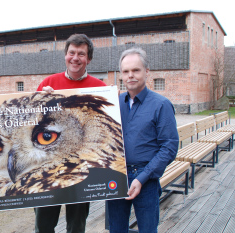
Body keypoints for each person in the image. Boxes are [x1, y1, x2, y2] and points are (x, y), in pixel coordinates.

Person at [35, 34, 107, 233]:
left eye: (81, 54)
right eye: (72, 53)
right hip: (49, 169)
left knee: (76, 226)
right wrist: (41, 101)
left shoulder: (101, 89)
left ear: (88, 59)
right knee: (43, 225)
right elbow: (32, 123)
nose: (75, 58)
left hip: (82, 170)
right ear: (65, 55)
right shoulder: (48, 83)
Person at [107, 47, 179, 233]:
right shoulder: (113, 104)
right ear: (121, 74)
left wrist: (143, 177)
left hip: (146, 179)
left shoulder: (161, 105)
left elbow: (169, 147)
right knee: (116, 229)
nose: (130, 75)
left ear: (147, 72)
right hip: (117, 177)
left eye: (136, 70)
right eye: (125, 71)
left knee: (147, 229)